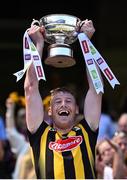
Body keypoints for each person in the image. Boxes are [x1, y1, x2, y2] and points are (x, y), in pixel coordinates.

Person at [24, 19, 102, 179]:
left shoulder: (86, 131)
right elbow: (31, 88)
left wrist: (86, 42)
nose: (63, 104)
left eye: (68, 101)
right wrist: (39, 44)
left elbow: (96, 88)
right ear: (50, 111)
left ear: (77, 109)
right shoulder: (41, 134)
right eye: (57, 102)